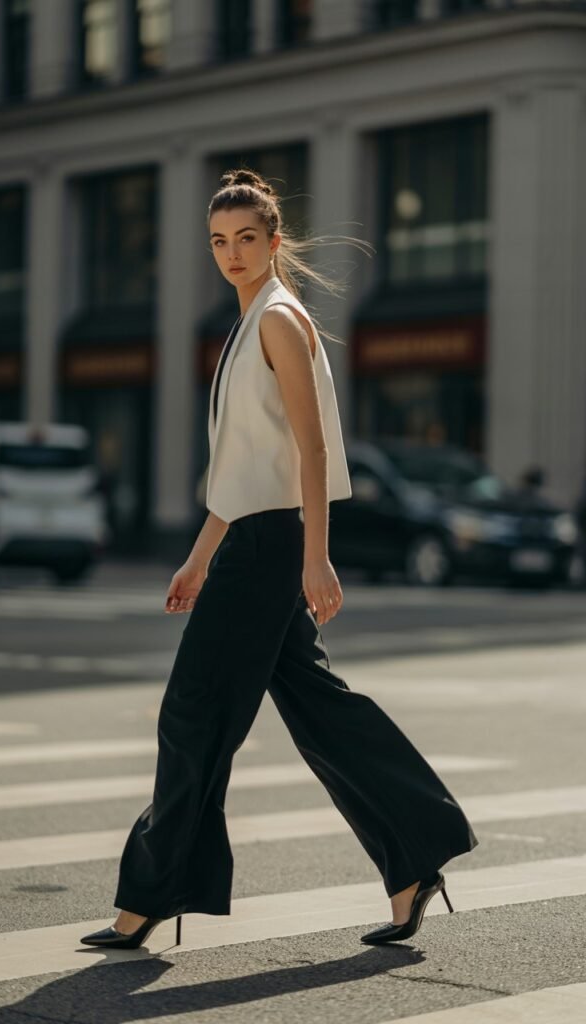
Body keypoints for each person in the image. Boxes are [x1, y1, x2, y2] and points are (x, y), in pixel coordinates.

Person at [80, 168, 479, 952]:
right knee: (319, 710)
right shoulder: (247, 321)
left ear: (274, 241)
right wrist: (198, 559)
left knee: (192, 715)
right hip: (250, 541)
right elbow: (242, 468)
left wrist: (316, 558)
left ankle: (151, 897)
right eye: (219, 242)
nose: (231, 254)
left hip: (272, 548)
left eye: (246, 239)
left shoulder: (278, 320)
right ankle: (414, 857)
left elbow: (312, 446)